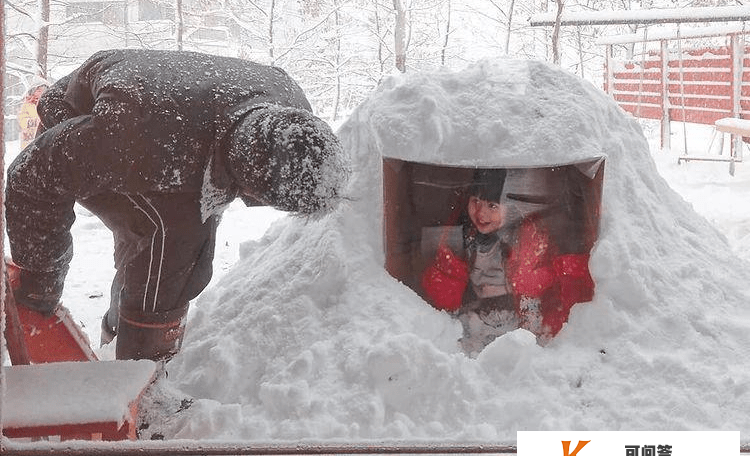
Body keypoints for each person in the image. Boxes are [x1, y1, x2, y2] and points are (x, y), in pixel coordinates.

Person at [5, 49, 349, 362]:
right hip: (82, 114)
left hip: (177, 122)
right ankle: (141, 371)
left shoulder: (293, 114)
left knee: (181, 239)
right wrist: (40, 281)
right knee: (172, 237)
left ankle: (120, 342)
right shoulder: (131, 130)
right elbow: (30, 176)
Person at [421, 168, 594, 353]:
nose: (480, 212)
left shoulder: (526, 239)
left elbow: (533, 283)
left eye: (492, 206)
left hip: (518, 316)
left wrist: (532, 328)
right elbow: (444, 279)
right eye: (475, 201)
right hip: (477, 312)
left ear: (511, 208)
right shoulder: (466, 235)